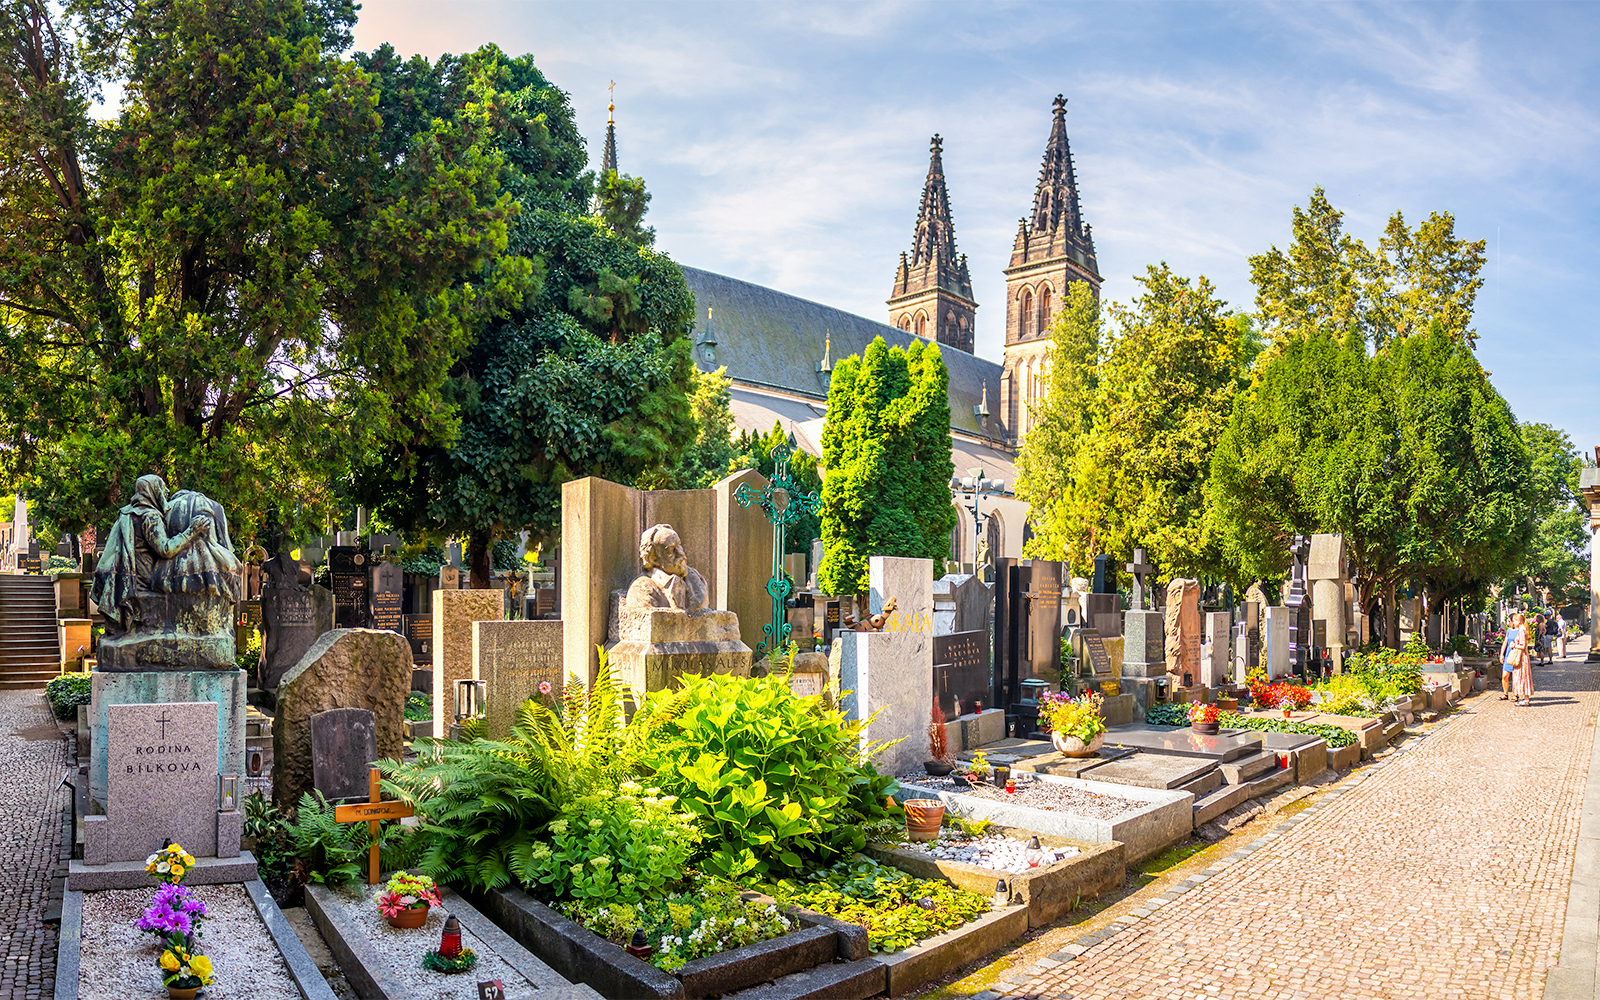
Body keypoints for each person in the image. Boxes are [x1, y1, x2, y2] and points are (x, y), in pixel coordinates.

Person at [1499, 613, 1523, 701]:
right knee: (1505, 675)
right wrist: (1502, 654)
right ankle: (1505, 693)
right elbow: (1505, 643)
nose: (1509, 622)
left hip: (1516, 655)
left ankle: (1516, 694)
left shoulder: (1520, 631)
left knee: (1515, 676)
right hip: (1508, 655)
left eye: (1510, 621)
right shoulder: (1509, 630)